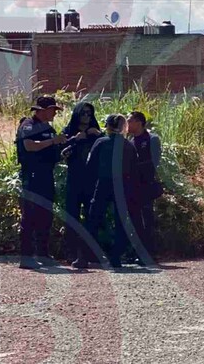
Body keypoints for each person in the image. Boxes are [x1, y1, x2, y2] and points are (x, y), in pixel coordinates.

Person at [72, 114, 142, 269]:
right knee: (120, 222)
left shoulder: (101, 142)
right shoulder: (129, 146)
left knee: (93, 220)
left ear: (108, 126)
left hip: (103, 183)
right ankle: (115, 257)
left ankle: (83, 256)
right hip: (123, 186)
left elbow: (90, 166)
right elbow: (134, 170)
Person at [15, 96, 67, 270]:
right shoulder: (28, 125)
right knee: (30, 216)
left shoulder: (49, 128)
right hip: (32, 176)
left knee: (46, 215)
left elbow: (53, 151)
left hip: (46, 175)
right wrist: (53, 141)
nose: (54, 113)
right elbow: (30, 146)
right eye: (52, 110)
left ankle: (43, 254)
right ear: (42, 110)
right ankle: (26, 256)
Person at [60, 101, 104, 263]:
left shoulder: (96, 132)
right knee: (72, 217)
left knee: (92, 217)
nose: (86, 116)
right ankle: (72, 252)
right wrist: (75, 139)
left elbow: (108, 148)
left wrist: (99, 136)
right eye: (83, 113)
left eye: (89, 113)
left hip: (92, 180)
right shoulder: (69, 131)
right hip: (74, 179)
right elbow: (60, 151)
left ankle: (91, 253)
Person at [127, 111, 162, 265]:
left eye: (130, 121)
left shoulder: (152, 139)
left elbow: (154, 161)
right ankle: (136, 252)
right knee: (134, 220)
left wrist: (134, 168)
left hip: (146, 185)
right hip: (132, 186)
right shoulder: (130, 141)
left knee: (146, 219)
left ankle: (149, 253)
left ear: (139, 122)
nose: (127, 124)